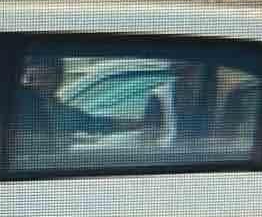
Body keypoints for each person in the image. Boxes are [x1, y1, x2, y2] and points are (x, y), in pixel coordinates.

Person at [10, 55, 160, 158]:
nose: (38, 84)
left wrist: (141, 124)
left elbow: (99, 124)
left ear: (58, 80)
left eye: (45, 77)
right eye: (31, 78)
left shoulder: (66, 114)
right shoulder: (10, 112)